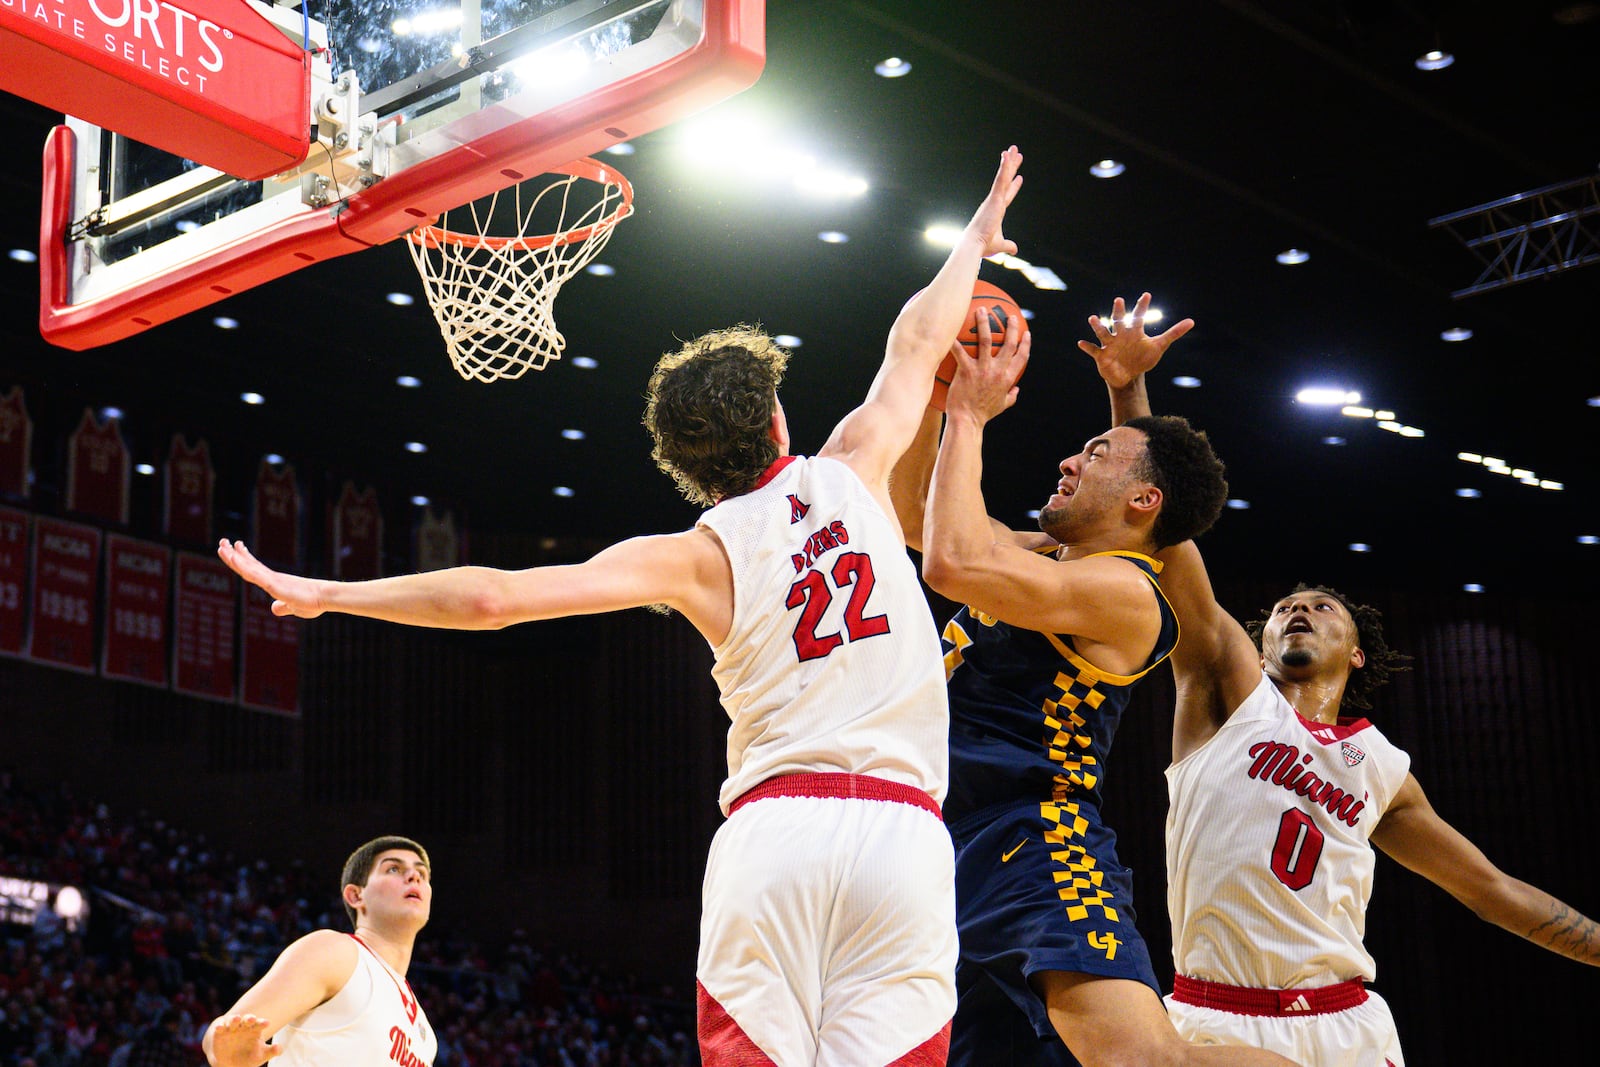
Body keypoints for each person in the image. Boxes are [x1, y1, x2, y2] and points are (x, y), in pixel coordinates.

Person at [218, 148, 1029, 1067]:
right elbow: (917, 340)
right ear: (776, 422)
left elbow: (491, 598)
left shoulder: (691, 555)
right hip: (903, 831)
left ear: (686, 465)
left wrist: (328, 592)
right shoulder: (853, 463)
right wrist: (974, 237)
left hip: (774, 831)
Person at [1084, 295, 1600, 1066]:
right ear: (1256, 644)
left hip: (1347, 1023)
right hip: (1217, 1022)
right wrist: (1129, 392)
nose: (1299, 610)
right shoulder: (1226, 690)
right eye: (1285, 607)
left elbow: (1492, 891)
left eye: (1322, 608)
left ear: (1356, 652)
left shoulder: (1384, 770)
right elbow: (1170, 534)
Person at [889, 299, 1292, 1067]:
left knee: (1143, 1058)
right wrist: (939, 398)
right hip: (946, 846)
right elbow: (914, 514)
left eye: (1096, 453)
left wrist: (971, 417)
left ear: (1143, 502)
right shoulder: (1039, 554)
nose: (1070, 460)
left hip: (1036, 838)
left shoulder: (1126, 595)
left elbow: (949, 561)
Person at [201, 836, 435, 1067]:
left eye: (422, 874)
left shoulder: (426, 1037)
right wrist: (229, 1055)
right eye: (393, 869)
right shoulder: (336, 953)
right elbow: (223, 1036)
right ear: (356, 895)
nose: (414, 876)